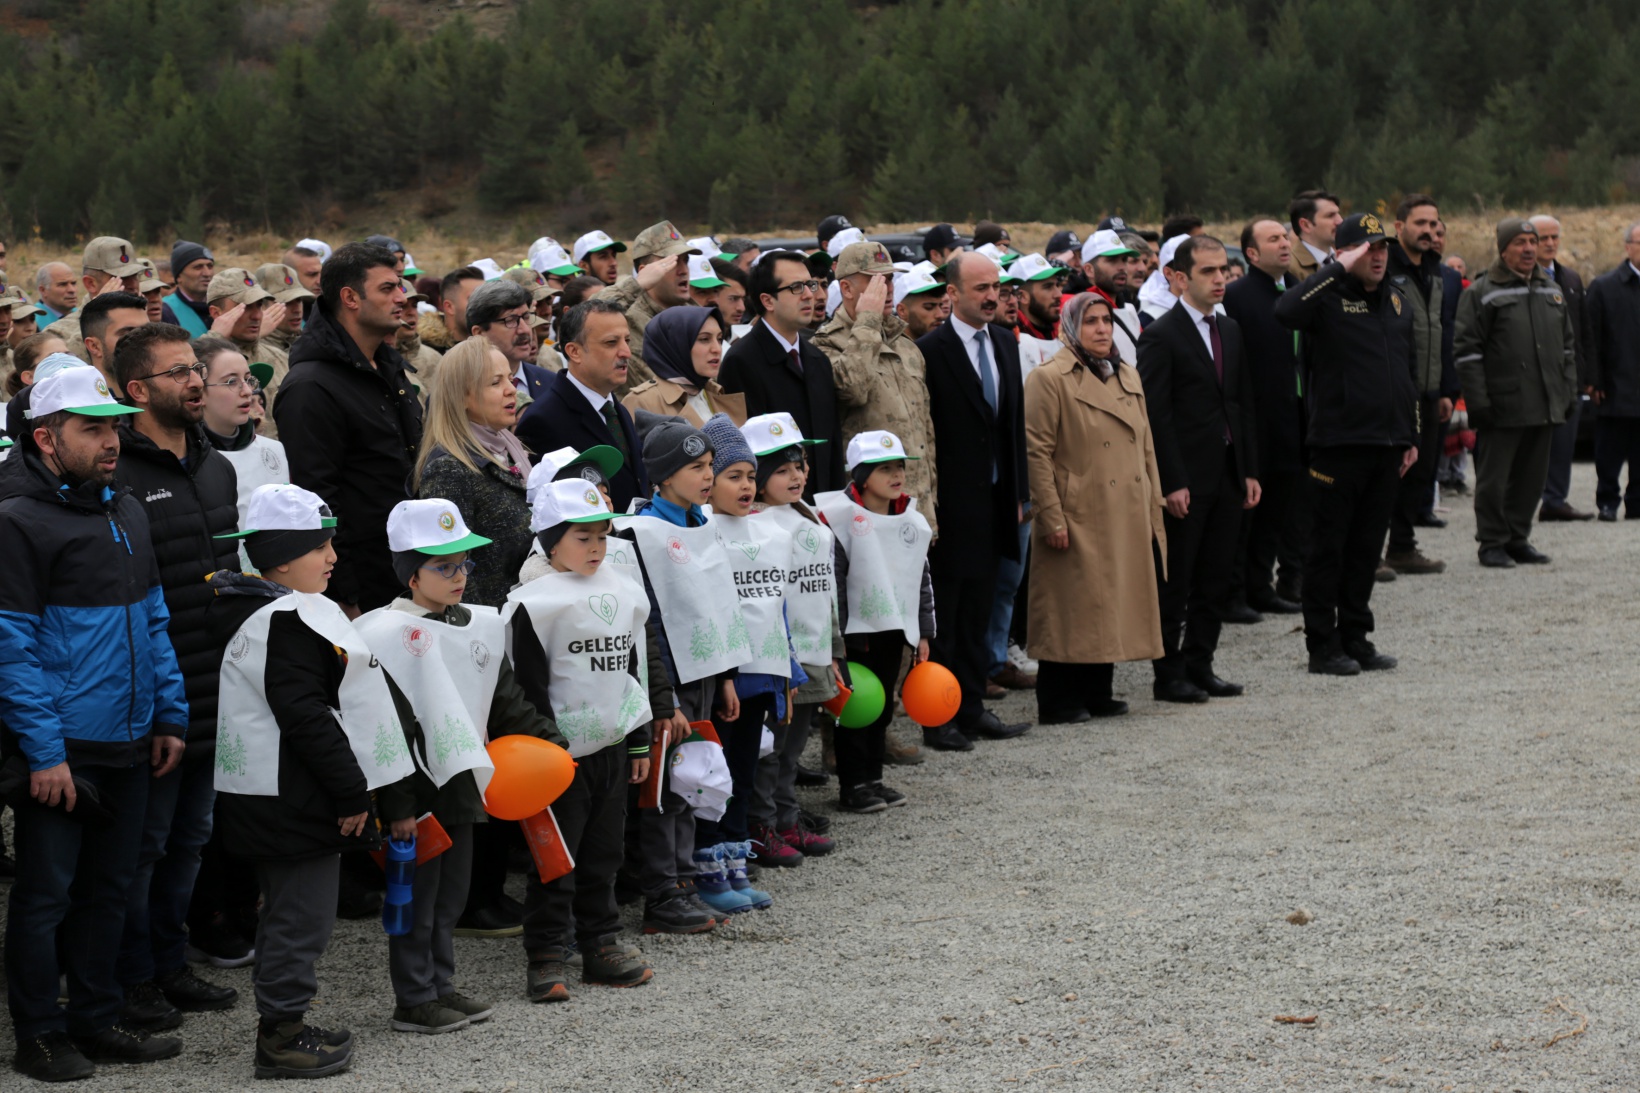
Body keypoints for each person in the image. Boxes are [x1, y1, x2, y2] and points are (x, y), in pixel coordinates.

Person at [0, 364, 189, 1081]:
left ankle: (96, 1017)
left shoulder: (126, 507)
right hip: (64, 749)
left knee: (110, 890)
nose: (112, 438)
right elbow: (10, 647)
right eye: (93, 427)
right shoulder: (17, 520)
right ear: (46, 437)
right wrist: (44, 753)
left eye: (113, 424)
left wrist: (169, 712)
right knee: (47, 896)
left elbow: (154, 618)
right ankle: (39, 1033)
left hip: (132, 738)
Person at [209, 484, 416, 1079]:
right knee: (301, 918)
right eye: (318, 547)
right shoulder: (287, 621)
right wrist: (352, 789)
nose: (332, 557)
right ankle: (281, 1036)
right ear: (279, 559)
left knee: (297, 915)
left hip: (283, 794)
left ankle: (289, 1019)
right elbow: (306, 715)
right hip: (290, 800)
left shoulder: (283, 612)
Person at [356, 499, 561, 1029]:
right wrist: (397, 804)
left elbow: (504, 698)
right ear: (409, 572)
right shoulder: (381, 636)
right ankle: (414, 998)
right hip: (417, 795)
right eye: (442, 566)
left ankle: (441, 986)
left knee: (450, 898)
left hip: (464, 783)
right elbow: (386, 727)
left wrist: (551, 746)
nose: (459, 576)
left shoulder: (482, 626)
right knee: (414, 902)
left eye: (464, 563)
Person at [110, 323, 243, 1031]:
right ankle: (130, 978)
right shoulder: (121, 474)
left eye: (196, 367)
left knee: (192, 841)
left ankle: (170, 962)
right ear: (137, 390)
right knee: (143, 849)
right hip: (158, 696)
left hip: (218, 684)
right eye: (177, 373)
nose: (195, 381)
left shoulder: (216, 465)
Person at [502, 479, 677, 999]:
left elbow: (631, 671)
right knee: (555, 858)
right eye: (582, 538)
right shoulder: (530, 604)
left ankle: (601, 943)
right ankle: (547, 953)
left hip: (613, 748)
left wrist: (640, 743)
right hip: (558, 759)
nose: (597, 547)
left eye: (602, 535)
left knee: (603, 854)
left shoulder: (622, 590)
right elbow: (527, 687)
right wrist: (548, 753)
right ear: (550, 541)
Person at [617, 412, 752, 921]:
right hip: (668, 680)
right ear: (665, 475)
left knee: (691, 777)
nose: (707, 477)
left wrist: (726, 676)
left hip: (705, 673)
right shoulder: (641, 534)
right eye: (696, 467)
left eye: (710, 465)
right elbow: (647, 623)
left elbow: (718, 603)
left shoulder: (704, 522)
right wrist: (664, 697)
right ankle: (660, 888)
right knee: (662, 786)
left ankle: (684, 874)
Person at [1275, 212, 1419, 676]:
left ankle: (1357, 637)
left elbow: (1407, 372)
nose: (1378, 257)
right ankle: (1323, 644)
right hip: (1339, 445)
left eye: (1383, 248)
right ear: (1345, 253)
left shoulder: (1397, 301)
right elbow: (1285, 312)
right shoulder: (1326, 296)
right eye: (1367, 249)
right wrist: (1336, 269)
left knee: (1364, 551)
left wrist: (1410, 434)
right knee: (1328, 550)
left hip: (1386, 444)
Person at [1024, 291, 1165, 722]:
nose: (1102, 329)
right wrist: (1050, 515)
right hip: (1077, 509)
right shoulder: (1049, 378)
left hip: (1124, 506)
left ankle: (1098, 691)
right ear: (1070, 328)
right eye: (1090, 322)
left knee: (1110, 600)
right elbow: (1036, 452)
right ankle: (1058, 700)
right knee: (1072, 606)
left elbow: (1146, 449)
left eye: (1106, 320)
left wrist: (1152, 505)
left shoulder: (1126, 373)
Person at [1137, 236, 1260, 703]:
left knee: (1215, 578)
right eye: (1208, 271)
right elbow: (1156, 413)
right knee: (1177, 582)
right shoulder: (1162, 335)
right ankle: (1168, 674)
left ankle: (1201, 664)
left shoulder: (1229, 331)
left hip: (1228, 472)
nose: (1220, 279)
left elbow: (1241, 403)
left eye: (1224, 269)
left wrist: (1249, 469)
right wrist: (1171, 481)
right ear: (1180, 278)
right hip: (1186, 479)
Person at [915, 253, 1029, 749]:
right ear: (953, 293)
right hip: (951, 504)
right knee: (948, 619)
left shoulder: (1004, 342)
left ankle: (974, 707)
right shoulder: (931, 351)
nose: (991, 296)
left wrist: (1020, 493)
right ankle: (939, 717)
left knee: (980, 612)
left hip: (998, 501)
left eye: (997, 287)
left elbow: (1012, 426)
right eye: (980, 287)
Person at [274, 241, 423, 615]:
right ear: (350, 298)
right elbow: (317, 499)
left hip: (412, 568)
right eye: (387, 289)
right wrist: (345, 595)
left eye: (400, 286)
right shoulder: (311, 386)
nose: (401, 298)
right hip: (366, 586)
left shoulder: (390, 368)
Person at [814, 430, 932, 809]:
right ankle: (853, 785)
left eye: (899, 466)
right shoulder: (839, 519)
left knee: (882, 706)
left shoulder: (909, 519)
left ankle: (874, 778)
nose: (897, 475)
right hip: (855, 635)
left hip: (893, 631)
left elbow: (921, 578)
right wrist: (838, 638)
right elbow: (833, 582)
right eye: (885, 468)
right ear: (862, 477)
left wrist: (925, 632)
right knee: (856, 707)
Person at [741, 412, 844, 843]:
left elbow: (826, 590)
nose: (796, 475)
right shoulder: (752, 525)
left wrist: (836, 650)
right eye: (780, 470)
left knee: (795, 746)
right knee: (772, 748)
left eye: (799, 465)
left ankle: (786, 816)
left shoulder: (810, 516)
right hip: (782, 657)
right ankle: (768, 822)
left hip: (816, 649)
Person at [1454, 218, 1577, 568]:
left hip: (1544, 401)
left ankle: (1518, 538)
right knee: (1494, 480)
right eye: (1520, 242)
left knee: (1531, 477)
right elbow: (1467, 352)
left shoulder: (1550, 289)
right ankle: (1492, 542)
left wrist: (1567, 392)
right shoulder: (1482, 291)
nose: (1528, 249)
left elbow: (1567, 347)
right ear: (1503, 248)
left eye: (1532, 242)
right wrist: (1478, 402)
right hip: (1502, 402)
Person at [815, 241, 939, 531]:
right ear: (846, 289)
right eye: (875, 280)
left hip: (915, 508)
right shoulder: (826, 344)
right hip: (866, 513)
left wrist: (929, 502)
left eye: (890, 279)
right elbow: (852, 390)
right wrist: (868, 320)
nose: (887, 288)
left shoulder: (906, 345)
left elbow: (925, 430)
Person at [411, 336, 532, 608]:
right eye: (495, 382)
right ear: (462, 396)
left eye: (510, 379)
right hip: (496, 628)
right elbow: (453, 573)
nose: (511, 390)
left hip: (532, 616)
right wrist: (484, 637)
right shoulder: (448, 470)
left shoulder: (510, 448)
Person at [1225, 218, 1306, 613]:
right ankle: (1234, 592)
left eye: (1286, 236)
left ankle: (1261, 586)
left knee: (1278, 510)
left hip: (1293, 417)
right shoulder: (1237, 296)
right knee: (1247, 512)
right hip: (1254, 418)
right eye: (1274, 239)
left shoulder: (1296, 289)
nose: (1285, 243)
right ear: (1252, 254)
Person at [718, 250, 846, 494]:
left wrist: (835, 503)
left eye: (811, 284)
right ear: (767, 301)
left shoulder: (817, 359)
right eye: (797, 287)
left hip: (823, 509)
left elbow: (832, 444)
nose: (810, 295)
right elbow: (744, 451)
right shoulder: (742, 361)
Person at [515, 299, 650, 512]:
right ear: (574, 351)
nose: (626, 352)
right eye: (611, 343)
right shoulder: (543, 419)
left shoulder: (617, 409)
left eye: (626, 340)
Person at [1382, 195, 1457, 576]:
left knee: (1421, 474)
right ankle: (1368, 553)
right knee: (1388, 475)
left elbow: (1442, 335)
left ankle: (1402, 547)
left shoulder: (1435, 272)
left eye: (1433, 224)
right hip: (1395, 392)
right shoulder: (1383, 269)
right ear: (1399, 228)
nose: (1428, 231)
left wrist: (1445, 389)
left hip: (1430, 392)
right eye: (1420, 224)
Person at [1531, 214, 1596, 522]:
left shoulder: (1570, 279)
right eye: (1543, 238)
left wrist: (1586, 375)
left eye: (1555, 237)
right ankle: (1518, 503)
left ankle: (1555, 499)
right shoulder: (1517, 278)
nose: (1550, 243)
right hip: (1530, 377)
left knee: (1563, 443)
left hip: (1568, 378)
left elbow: (1584, 332)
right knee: (1530, 445)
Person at [198, 335, 289, 540]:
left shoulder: (273, 450)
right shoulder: (185, 457)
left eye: (248, 380)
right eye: (231, 381)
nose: (248, 391)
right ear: (199, 393)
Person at [593, 221, 698, 391]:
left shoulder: (696, 317)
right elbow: (588, 312)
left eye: (686, 261)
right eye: (672, 262)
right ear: (646, 271)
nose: (684, 270)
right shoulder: (627, 318)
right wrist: (636, 284)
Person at [1586, 221, 1640, 520]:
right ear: (1627, 247)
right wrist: (1593, 380)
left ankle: (1637, 503)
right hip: (1615, 384)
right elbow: (1591, 337)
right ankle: (1607, 501)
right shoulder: (1605, 287)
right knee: (1609, 452)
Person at [621, 305, 746, 428]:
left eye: (719, 339)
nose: (717, 349)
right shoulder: (641, 402)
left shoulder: (713, 391)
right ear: (676, 345)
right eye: (704, 339)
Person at [38, 236, 145, 357]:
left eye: (135, 276)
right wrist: (96, 316)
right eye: (122, 278)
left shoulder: (146, 320)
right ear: (91, 284)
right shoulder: (57, 333)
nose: (133, 285)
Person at [465, 278, 555, 405]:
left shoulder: (551, 383)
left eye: (526, 317)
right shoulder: (456, 390)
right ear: (479, 333)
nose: (524, 330)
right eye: (511, 320)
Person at [80, 291, 150, 389]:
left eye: (147, 332)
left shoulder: (164, 399)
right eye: (128, 334)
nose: (144, 341)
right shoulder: (84, 403)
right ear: (94, 346)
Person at [418, 265, 484, 357]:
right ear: (449, 307)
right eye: (474, 298)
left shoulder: (493, 348)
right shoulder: (425, 354)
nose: (484, 305)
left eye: (486, 298)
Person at [160, 242, 215, 337]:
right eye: (198, 267)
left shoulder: (224, 304)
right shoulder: (165, 311)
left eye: (210, 266)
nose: (207, 273)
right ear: (179, 277)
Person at [1287, 189, 1342, 281]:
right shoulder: (1290, 269)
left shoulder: (1344, 260)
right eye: (1330, 215)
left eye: (1338, 214)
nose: (1340, 221)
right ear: (1306, 225)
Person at [894, 268, 948, 339]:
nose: (940, 315)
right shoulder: (885, 348)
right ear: (902, 311)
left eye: (941, 306)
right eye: (929, 307)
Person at [34, 261, 79, 327]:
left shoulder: (83, 316)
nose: (72, 290)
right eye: (63, 285)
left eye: (73, 283)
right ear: (43, 290)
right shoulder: (32, 323)